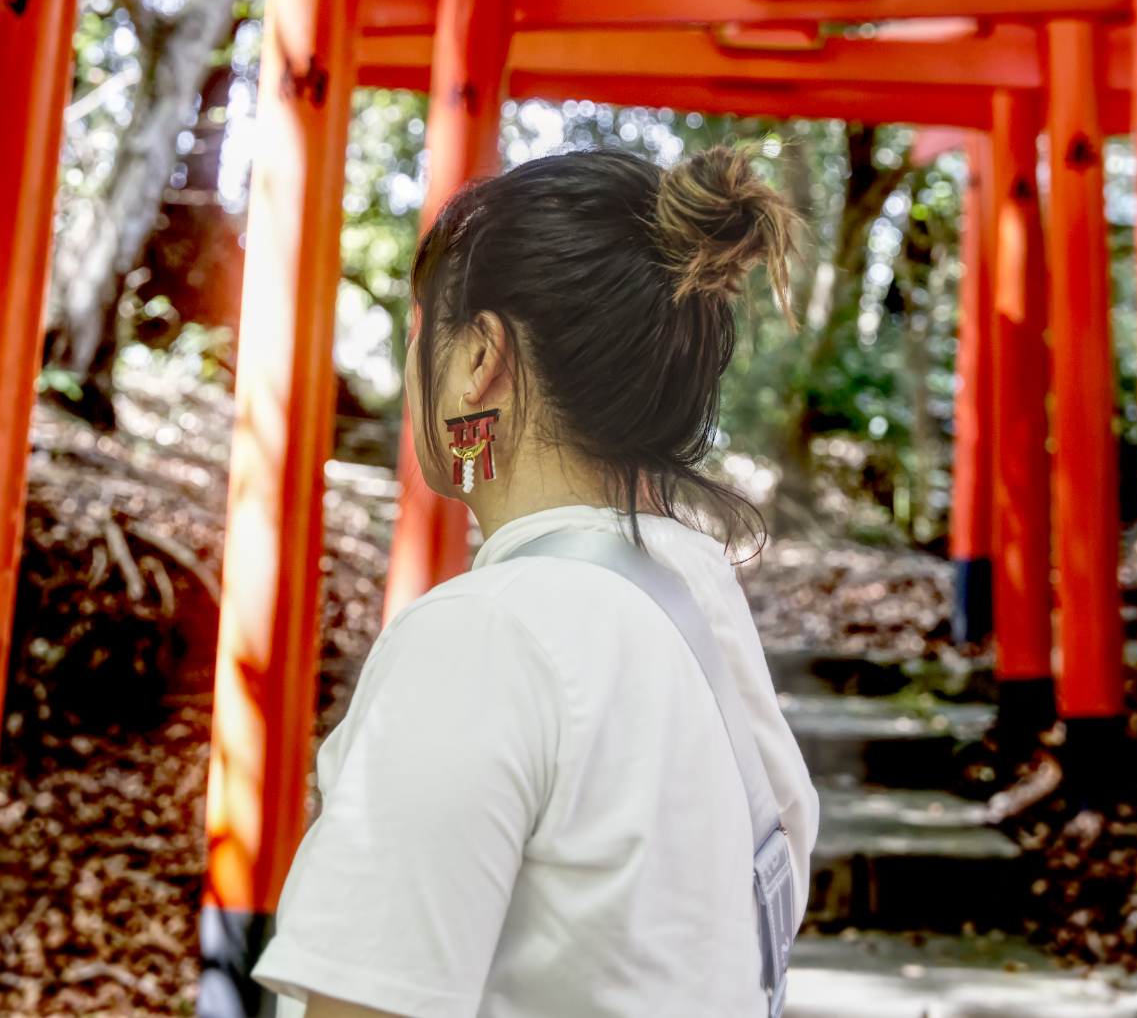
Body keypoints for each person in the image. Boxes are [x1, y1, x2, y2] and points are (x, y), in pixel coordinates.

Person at [254, 145, 819, 1018]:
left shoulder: (487, 635)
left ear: (481, 357)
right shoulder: (695, 594)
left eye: (421, 338)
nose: (412, 375)